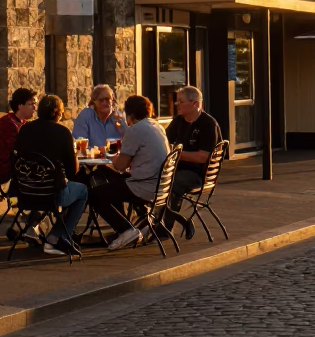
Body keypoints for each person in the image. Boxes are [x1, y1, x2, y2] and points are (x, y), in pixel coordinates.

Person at [88, 95, 170, 251]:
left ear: (130, 114)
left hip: (144, 186)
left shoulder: (136, 130)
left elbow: (120, 166)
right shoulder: (156, 125)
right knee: (109, 177)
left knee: (94, 195)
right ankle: (124, 225)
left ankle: (125, 230)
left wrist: (109, 154)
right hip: (160, 186)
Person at [14, 93, 88, 256]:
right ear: (56, 111)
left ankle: (35, 227)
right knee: (82, 190)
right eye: (61, 112)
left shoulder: (25, 129)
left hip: (25, 192)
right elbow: (72, 172)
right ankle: (57, 237)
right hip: (52, 194)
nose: (61, 115)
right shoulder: (62, 133)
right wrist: (74, 152)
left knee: (64, 187)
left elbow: (18, 157)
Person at [163, 85, 220, 240]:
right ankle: (142, 224)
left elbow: (202, 157)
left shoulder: (208, 124)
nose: (177, 104)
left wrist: (176, 155)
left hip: (196, 174)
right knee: (148, 180)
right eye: (177, 101)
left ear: (195, 104)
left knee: (171, 184)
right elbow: (164, 142)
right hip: (175, 169)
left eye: (181, 101)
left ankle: (163, 230)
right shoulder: (179, 121)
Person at [0, 87, 41, 245]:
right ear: (20, 106)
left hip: (19, 172)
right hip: (12, 176)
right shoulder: (9, 124)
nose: (35, 107)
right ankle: (32, 226)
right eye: (31, 103)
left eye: (35, 103)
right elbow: (20, 154)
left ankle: (29, 227)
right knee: (48, 186)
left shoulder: (21, 123)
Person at [72, 84, 126, 150]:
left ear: (112, 100)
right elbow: (79, 142)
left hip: (115, 157)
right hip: (92, 159)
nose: (104, 103)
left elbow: (130, 141)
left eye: (107, 99)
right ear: (94, 102)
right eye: (101, 100)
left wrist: (123, 127)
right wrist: (98, 151)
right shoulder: (86, 115)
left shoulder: (118, 117)